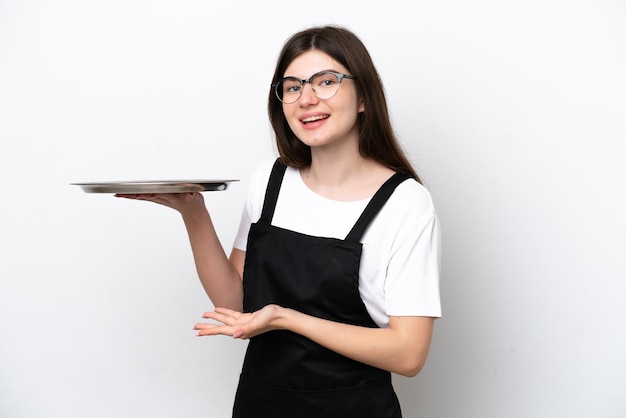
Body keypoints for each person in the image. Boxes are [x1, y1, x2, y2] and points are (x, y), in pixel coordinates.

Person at [117, 25, 441, 418]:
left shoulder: (405, 203)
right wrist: (194, 213)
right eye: (292, 87)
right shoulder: (271, 181)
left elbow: (409, 354)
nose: (306, 98)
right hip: (261, 404)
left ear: (363, 98)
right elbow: (234, 304)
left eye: (326, 82)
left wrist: (287, 318)